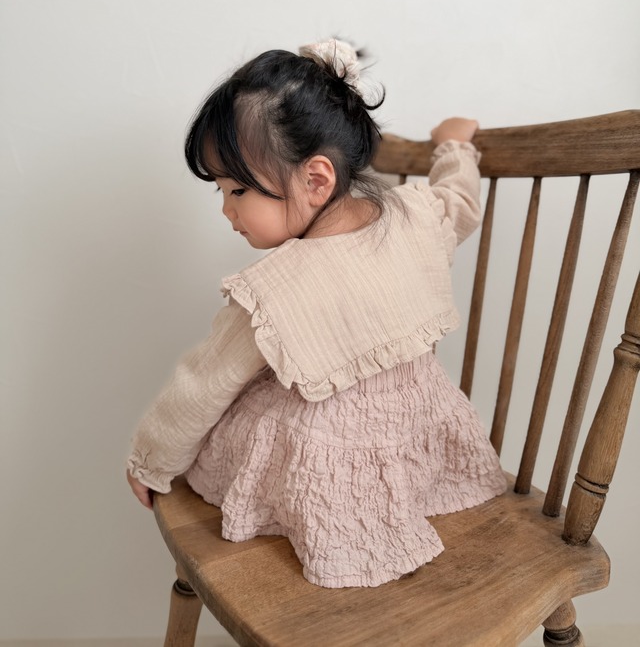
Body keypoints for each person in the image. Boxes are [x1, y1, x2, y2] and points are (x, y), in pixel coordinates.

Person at [126, 38, 506, 589]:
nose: (227, 210)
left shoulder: (274, 290)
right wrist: (455, 146)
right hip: (419, 454)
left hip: (325, 474)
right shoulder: (417, 216)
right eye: (222, 191)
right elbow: (460, 200)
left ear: (316, 180)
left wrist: (149, 462)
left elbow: (204, 382)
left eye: (237, 190)